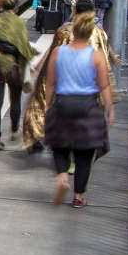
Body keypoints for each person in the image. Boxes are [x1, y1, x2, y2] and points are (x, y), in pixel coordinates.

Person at [23, 0, 120, 153]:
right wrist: (109, 105)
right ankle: (77, 155)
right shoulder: (99, 33)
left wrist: (40, 70)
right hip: (89, 90)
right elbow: (104, 64)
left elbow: (51, 55)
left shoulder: (65, 31)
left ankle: (62, 152)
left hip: (65, 88)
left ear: (74, 11)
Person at [43, 12, 114, 207]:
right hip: (88, 106)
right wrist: (110, 109)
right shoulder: (96, 55)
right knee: (84, 154)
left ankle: (63, 176)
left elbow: (50, 82)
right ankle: (78, 196)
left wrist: (48, 105)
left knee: (59, 144)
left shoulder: (58, 52)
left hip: (63, 103)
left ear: (73, 31)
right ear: (91, 32)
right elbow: (104, 85)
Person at [0, 0, 37, 150]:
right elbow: (24, 47)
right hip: (15, 67)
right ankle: (13, 130)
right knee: (15, 100)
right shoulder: (20, 23)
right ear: (16, 7)